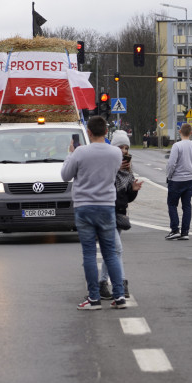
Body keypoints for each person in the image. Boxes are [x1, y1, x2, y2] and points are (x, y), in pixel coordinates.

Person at [61, 116, 127, 310]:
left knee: (89, 254)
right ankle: (120, 296)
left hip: (84, 207)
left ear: (88, 132)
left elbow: (65, 175)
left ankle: (94, 299)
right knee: (111, 254)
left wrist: (70, 154)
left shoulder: (80, 152)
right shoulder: (116, 153)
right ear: (106, 132)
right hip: (107, 206)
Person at [98, 130, 142, 300]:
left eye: (126, 148)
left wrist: (133, 190)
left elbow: (127, 197)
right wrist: (115, 168)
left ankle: (102, 284)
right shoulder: (108, 166)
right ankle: (122, 285)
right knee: (117, 249)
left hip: (120, 213)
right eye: (120, 147)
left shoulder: (128, 171)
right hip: (107, 212)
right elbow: (103, 186)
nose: (124, 151)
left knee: (112, 251)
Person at [165, 123, 192, 240]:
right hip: (190, 180)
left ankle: (175, 229)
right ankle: (185, 232)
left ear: (180, 132)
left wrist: (169, 176)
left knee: (172, 204)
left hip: (176, 180)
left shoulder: (177, 146)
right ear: (191, 133)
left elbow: (171, 163)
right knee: (187, 205)